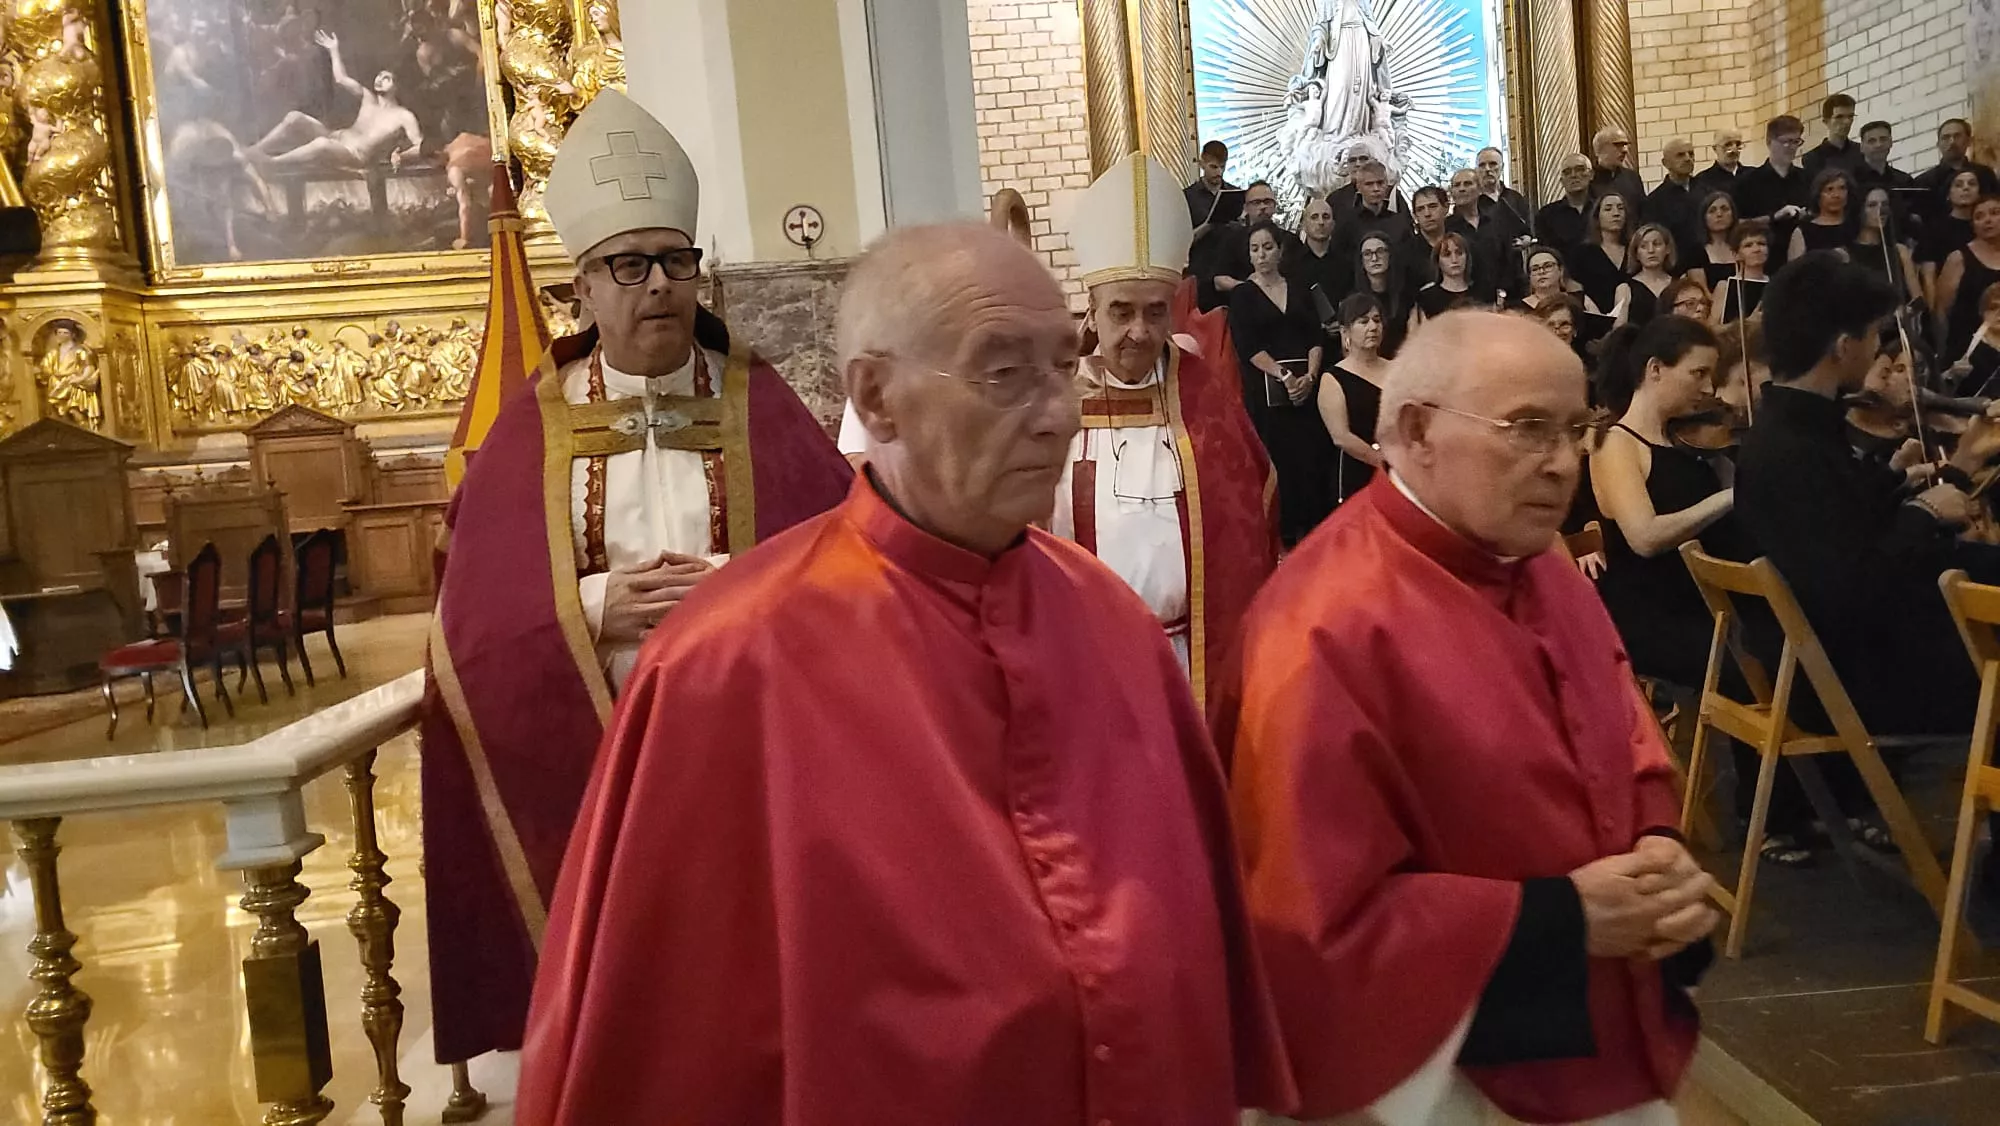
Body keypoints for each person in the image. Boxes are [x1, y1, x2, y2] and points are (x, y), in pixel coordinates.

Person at [517, 221, 1296, 1126]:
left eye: (1060, 364)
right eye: (1003, 373)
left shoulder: (1110, 623)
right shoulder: (725, 665)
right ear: (876, 399)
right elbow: (662, 1052)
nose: (1056, 411)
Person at [422, 90, 852, 1077]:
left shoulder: (764, 407)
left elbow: (843, 571)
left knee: (740, 985)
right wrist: (593, 605)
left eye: (675, 260)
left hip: (736, 740)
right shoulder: (532, 427)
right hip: (590, 738)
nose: (659, 285)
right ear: (581, 285)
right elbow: (466, 624)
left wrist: (742, 596)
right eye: (630, 264)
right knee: (617, 990)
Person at [1222, 309, 1718, 1126]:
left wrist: (1657, 844)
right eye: (1527, 429)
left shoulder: (1540, 562)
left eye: (1577, 429)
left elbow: (1623, 728)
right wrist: (1557, 921)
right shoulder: (1320, 624)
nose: (1565, 465)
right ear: (1415, 431)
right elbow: (1305, 917)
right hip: (1439, 1077)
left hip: (1591, 1023)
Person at [1735, 252, 2000, 860]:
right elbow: (1852, 589)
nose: (1882, 350)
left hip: (1831, 660)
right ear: (1842, 344)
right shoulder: (1793, 449)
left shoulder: (1788, 429)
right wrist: (1928, 512)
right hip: (1848, 681)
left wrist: (1925, 481)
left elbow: (1837, 528)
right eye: (1877, 338)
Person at [1052, 153, 1278, 698]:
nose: (1138, 331)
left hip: (1191, 663)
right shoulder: (1053, 409)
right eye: (1121, 311)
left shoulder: (1202, 399)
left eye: (1155, 312)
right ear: (1092, 309)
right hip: (1087, 668)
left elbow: (1250, 522)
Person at [1591, 316, 1745, 692]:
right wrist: (1728, 497)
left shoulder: (1688, 442)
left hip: (1705, 610)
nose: (1709, 387)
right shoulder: (1618, 443)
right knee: (1764, 669)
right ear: (1655, 369)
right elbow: (1644, 537)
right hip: (1655, 620)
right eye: (1698, 373)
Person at [1233, 218, 1336, 545]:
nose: (1261, 255)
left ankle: (1317, 535)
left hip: (1306, 391)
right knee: (1280, 465)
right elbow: (1248, 347)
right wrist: (1285, 376)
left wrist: (1310, 376)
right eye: (1254, 249)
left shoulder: (1300, 284)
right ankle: (1284, 538)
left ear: (1280, 251)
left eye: (1267, 247)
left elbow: (1315, 335)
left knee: (1312, 460)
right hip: (1267, 393)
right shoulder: (1243, 295)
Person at [250, 30, 421, 171]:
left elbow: (420, 145)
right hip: (337, 138)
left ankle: (272, 163)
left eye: (386, 78)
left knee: (322, 145)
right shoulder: (368, 98)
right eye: (379, 75)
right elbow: (340, 79)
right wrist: (333, 49)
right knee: (295, 117)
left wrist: (402, 156)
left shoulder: (404, 116)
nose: (379, 79)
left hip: (354, 155)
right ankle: (254, 151)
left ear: (397, 86)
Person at [1319, 293, 1390, 507]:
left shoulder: (1398, 369)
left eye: (1377, 320)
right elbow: (1341, 436)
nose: (1373, 327)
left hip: (1401, 468)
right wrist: (1383, 463)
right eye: (1363, 321)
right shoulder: (1332, 379)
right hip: (1358, 472)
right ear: (1345, 332)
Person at [1196, 179, 1290, 311]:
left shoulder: (1291, 240)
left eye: (1267, 202)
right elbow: (1218, 280)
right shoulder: (1231, 240)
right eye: (1256, 202)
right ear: (1246, 208)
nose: (1262, 206)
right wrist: (1252, 289)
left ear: (1275, 206)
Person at [1739, 115, 1811, 269]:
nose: (1791, 147)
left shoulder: (1807, 179)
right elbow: (1739, 225)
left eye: (1796, 142)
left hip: (1801, 258)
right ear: (1769, 142)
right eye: (1785, 141)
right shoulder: (1748, 182)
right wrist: (1775, 216)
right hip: (1763, 261)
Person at [1938, 195, 2000, 362]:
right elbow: (1941, 312)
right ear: (1973, 225)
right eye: (1979, 216)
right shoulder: (1958, 258)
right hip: (1968, 352)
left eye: (1995, 213)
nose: (1988, 220)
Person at [1329, 159, 1411, 270]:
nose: (1376, 189)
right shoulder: (1346, 224)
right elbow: (1338, 261)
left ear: (1386, 184)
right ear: (1359, 187)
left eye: (1380, 183)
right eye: (1369, 184)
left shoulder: (1399, 222)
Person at [1916, 118, 2000, 225]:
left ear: (1969, 141)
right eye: (1945, 138)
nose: (1952, 142)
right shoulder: (1924, 182)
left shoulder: (1985, 174)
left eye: (1957, 136)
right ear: (1938, 145)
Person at [1852, 184, 1923, 308]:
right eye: (1872, 205)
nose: (1880, 210)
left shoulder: (1900, 250)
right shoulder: (1845, 253)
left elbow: (1918, 298)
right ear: (1860, 210)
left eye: (1885, 205)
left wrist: (1908, 310)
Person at [1919, 169, 1983, 300]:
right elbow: (1928, 276)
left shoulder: (1987, 226)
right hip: (1953, 300)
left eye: (1972, 184)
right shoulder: (1934, 229)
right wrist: (1933, 312)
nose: (1966, 188)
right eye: (1958, 185)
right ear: (1948, 193)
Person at [1285, 193, 1350, 319]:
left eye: (1326, 217)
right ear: (1304, 225)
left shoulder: (1347, 264)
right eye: (1314, 217)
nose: (1321, 222)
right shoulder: (1290, 265)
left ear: (1333, 224)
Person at [1571, 192, 1633, 318]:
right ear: (1597, 216)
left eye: (1620, 208)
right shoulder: (1583, 252)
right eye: (1608, 208)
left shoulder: (1635, 249)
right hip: (1595, 319)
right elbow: (1575, 288)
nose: (1616, 213)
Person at [1353, 230, 1412, 357]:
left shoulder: (1407, 295)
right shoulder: (1353, 300)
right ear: (1361, 261)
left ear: (1390, 255)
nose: (1374, 258)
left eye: (1380, 251)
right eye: (1367, 254)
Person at [1648, 137, 1703, 265]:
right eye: (1680, 155)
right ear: (1665, 163)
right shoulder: (1654, 201)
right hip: (1676, 267)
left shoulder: (1708, 191)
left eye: (1691, 154)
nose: (1688, 158)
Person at [1788, 168, 1859, 261]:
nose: (1836, 195)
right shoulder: (1803, 231)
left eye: (1842, 188)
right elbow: (1794, 271)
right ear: (1818, 195)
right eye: (1829, 189)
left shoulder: (1857, 226)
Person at [1414, 230, 1481, 325]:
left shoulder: (1482, 293)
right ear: (1438, 261)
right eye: (1447, 254)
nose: (1454, 260)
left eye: (1459, 253)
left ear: (1467, 257)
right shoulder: (1426, 298)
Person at [1712, 220, 1772, 323]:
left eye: (1761, 243)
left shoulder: (1775, 284)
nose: (1757, 249)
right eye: (1748, 245)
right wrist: (1748, 323)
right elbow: (1712, 329)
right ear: (1736, 255)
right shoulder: (1725, 286)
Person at [1536, 153, 1596, 254]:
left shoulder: (1603, 209)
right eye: (1567, 172)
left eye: (1580, 169)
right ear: (1561, 181)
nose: (1574, 175)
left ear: (1591, 174)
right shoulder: (1546, 215)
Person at [1475, 145, 1535, 238]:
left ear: (1502, 167)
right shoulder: (1471, 201)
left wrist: (1526, 239)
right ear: (1476, 170)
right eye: (1482, 165)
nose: (1487, 169)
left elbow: (1528, 231)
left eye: (1492, 164)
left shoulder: (1515, 198)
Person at [1625, 223, 1680, 324]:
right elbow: (1620, 329)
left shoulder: (1679, 285)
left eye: (1657, 244)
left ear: (1667, 249)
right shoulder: (1625, 288)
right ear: (1636, 254)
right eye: (1643, 246)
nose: (1651, 250)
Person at [1589, 125, 1647, 217]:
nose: (1625, 150)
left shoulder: (1633, 178)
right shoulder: (1589, 179)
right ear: (1599, 149)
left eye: (1625, 145)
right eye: (1618, 145)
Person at [1802, 93, 1862, 175]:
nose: (1847, 122)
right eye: (1839, 117)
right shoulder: (1812, 158)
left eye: (1850, 116)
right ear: (1826, 121)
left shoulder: (1863, 151)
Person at [1187, 138, 1238, 231]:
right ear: (1202, 164)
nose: (1219, 172)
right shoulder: (1188, 196)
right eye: (1213, 167)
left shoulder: (1235, 193)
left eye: (1222, 167)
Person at [1694, 190, 1740, 290]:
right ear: (1704, 218)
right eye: (1712, 211)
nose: (1719, 214)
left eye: (1725, 209)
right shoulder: (1696, 251)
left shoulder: (1742, 246)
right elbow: (1701, 291)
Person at [1852, 120, 1914, 193]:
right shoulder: (1851, 180)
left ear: (1890, 142)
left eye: (1883, 139)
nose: (1879, 145)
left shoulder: (1904, 181)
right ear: (1861, 147)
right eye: (1872, 141)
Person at [1692, 127, 1747, 203]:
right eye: (1727, 145)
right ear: (1715, 148)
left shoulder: (1753, 175)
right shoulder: (1702, 181)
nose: (1734, 150)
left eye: (1738, 144)